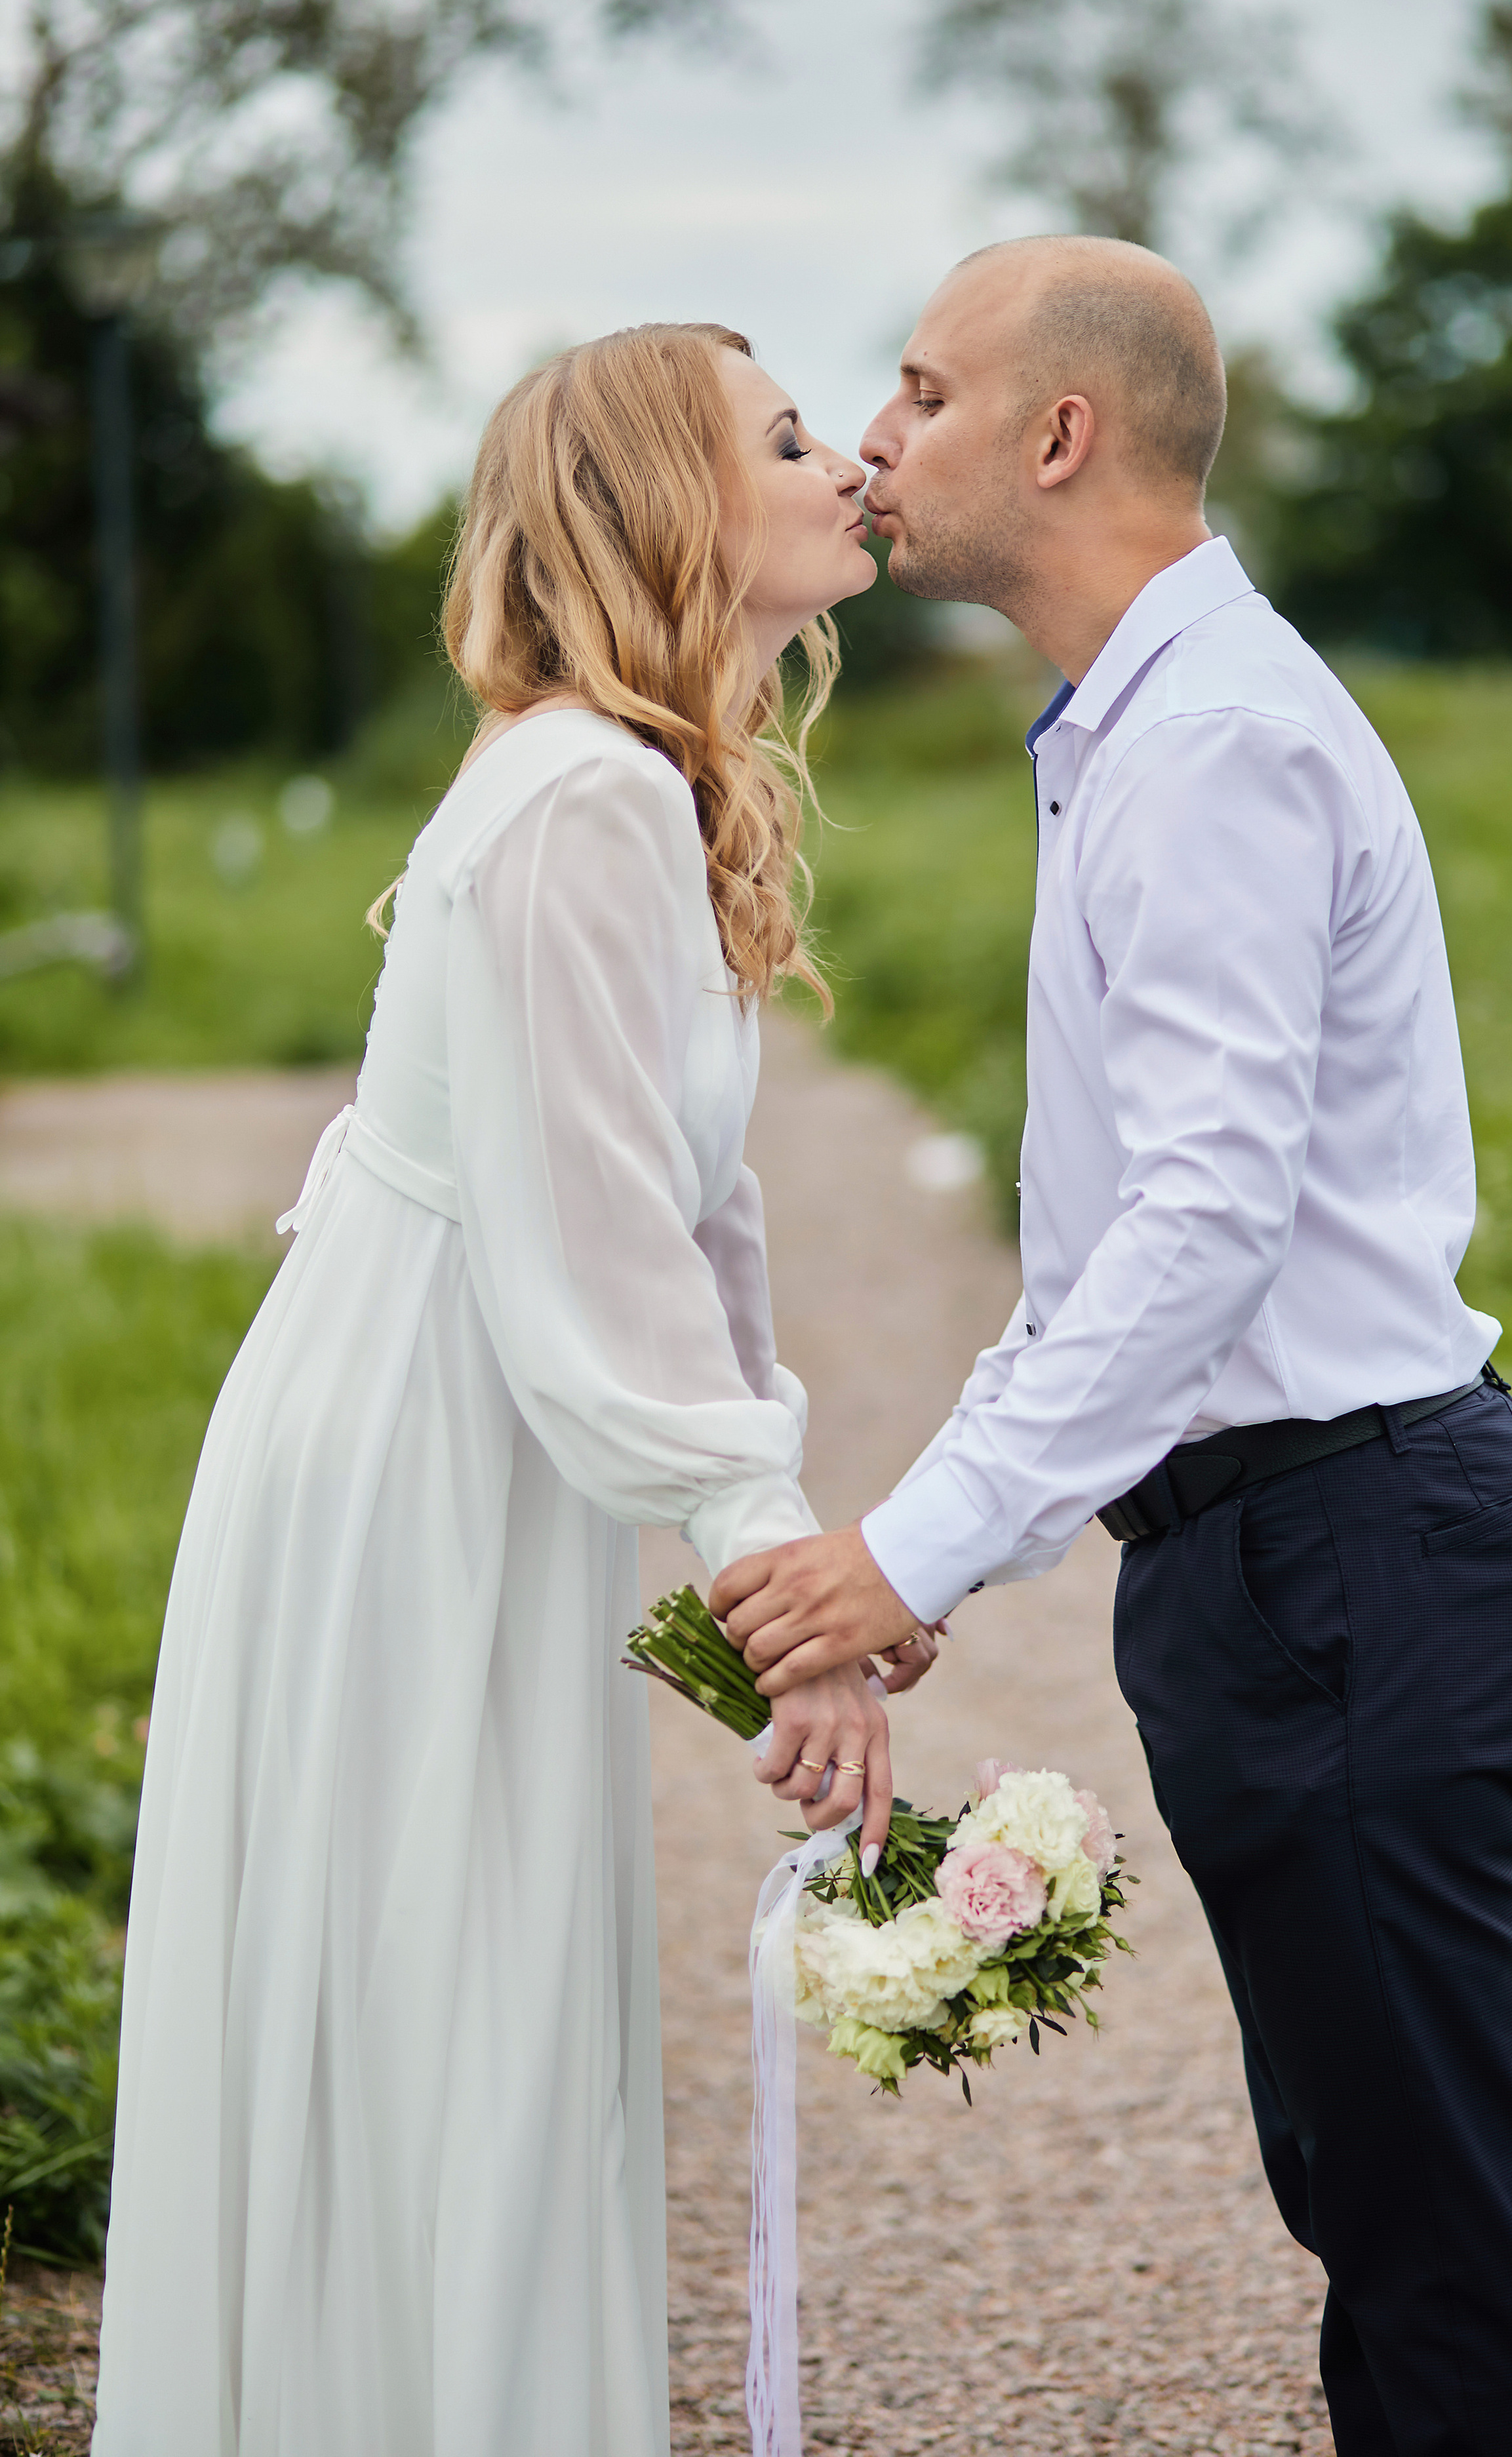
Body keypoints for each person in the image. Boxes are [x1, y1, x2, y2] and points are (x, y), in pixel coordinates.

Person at [716, 237, 1512, 2456]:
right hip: (1286, 1554)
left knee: (1430, 2231)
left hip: (1352, 1550)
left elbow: (1204, 1229)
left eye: (917, 392)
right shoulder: (1138, 725)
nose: (880, 436)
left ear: (1059, 434)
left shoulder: (1207, 738)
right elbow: (1132, 1242)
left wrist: (918, 1546)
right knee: (1367, 2199)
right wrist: (982, 1516)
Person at [92, 322, 909, 2457]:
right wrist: (773, 1587)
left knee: (471, 1997)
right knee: (449, 2000)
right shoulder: (579, 799)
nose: (846, 465)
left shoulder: (636, 788)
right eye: (790, 436)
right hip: (421, 1458)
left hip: (483, 1422)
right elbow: (592, 1262)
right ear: (670, 506)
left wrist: (792, 1564)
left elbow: (686, 1220)